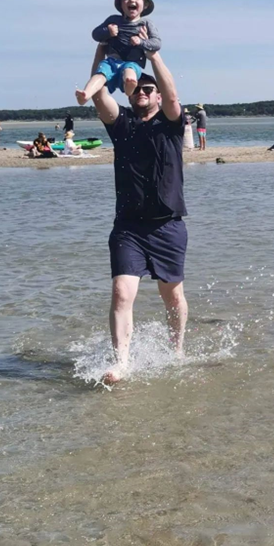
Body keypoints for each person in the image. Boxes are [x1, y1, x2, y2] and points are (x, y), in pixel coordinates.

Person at [90, 49, 188, 384]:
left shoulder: (172, 124)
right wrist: (102, 52)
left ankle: (176, 351)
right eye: (138, 89)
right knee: (121, 292)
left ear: (157, 95)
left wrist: (154, 54)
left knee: (172, 295)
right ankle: (122, 363)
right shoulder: (122, 126)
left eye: (149, 89)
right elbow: (98, 94)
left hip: (168, 226)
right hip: (128, 228)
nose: (143, 93)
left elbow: (173, 95)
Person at [76, 0, 162, 104]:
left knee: (130, 73)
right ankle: (86, 94)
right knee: (100, 74)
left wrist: (142, 42)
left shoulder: (146, 23)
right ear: (121, 4)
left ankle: (129, 89)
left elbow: (157, 43)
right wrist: (107, 31)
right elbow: (95, 34)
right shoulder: (113, 20)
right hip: (111, 61)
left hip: (132, 62)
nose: (132, 0)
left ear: (146, 5)